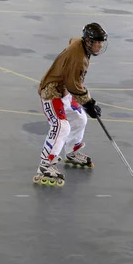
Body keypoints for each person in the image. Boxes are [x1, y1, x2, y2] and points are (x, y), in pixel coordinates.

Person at [32, 23, 107, 186]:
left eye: (101, 42)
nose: (100, 46)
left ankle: (72, 151)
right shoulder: (78, 59)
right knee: (61, 126)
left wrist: (87, 106)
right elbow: (74, 86)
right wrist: (89, 104)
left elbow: (72, 40)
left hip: (64, 91)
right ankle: (45, 164)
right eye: (97, 42)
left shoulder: (80, 45)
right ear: (88, 41)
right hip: (53, 92)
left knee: (80, 119)